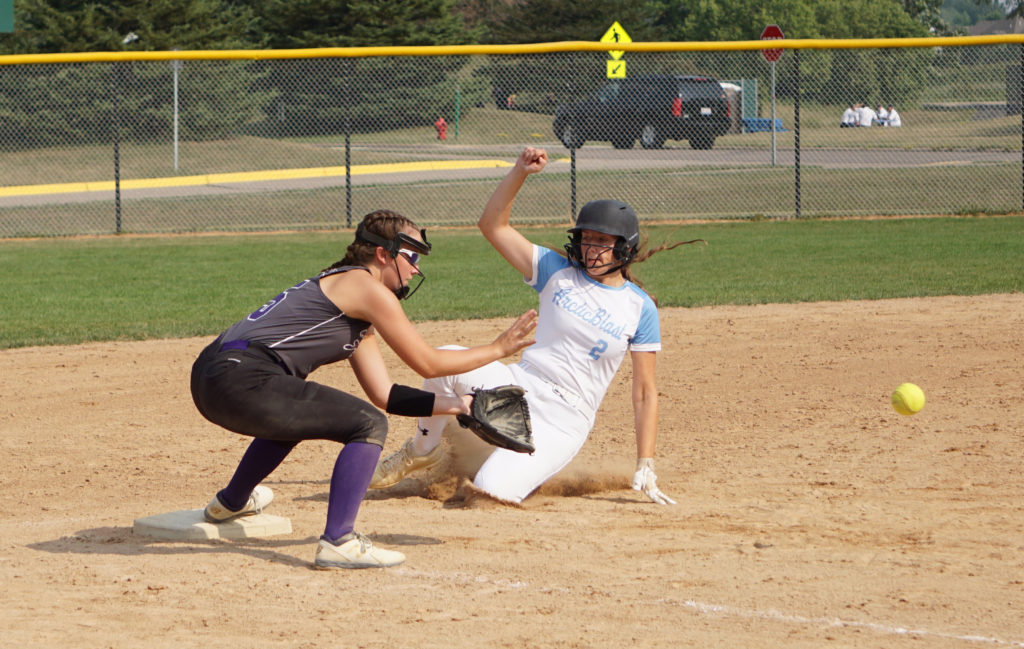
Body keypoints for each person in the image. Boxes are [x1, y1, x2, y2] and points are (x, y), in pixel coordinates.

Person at [191, 210, 538, 569]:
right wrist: (497, 349)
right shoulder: (366, 288)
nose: (417, 268)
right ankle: (339, 540)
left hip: (214, 376)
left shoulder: (353, 304)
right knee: (366, 425)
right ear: (384, 254)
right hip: (240, 378)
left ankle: (231, 504)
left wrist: (460, 404)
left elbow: (385, 395)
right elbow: (429, 364)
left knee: (298, 417)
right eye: (412, 256)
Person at [369, 146, 699, 506]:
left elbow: (645, 392)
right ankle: (422, 449)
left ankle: (500, 464)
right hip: (519, 386)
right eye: (587, 238)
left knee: (490, 493)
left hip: (565, 419)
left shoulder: (639, 308)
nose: (591, 249)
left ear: (624, 248)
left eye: (602, 242)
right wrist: (520, 173)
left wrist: (645, 461)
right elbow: (492, 225)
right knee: (447, 358)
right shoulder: (556, 271)